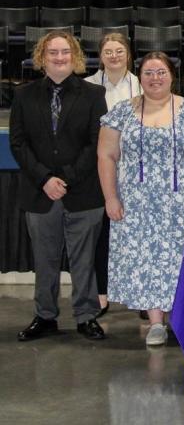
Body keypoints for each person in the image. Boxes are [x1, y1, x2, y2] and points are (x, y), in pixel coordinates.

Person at [97, 52, 184, 346]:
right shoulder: (121, 112)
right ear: (140, 77)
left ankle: (183, 318)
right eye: (148, 73)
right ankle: (155, 323)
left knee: (179, 259)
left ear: (172, 75)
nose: (155, 78)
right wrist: (110, 198)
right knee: (146, 262)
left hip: (180, 204)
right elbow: (106, 156)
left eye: (161, 72)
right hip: (136, 204)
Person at [11, 31, 108, 341]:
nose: (59, 57)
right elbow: (18, 143)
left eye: (65, 51)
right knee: (45, 259)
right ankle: (45, 316)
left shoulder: (94, 94)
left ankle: (86, 316)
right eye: (52, 52)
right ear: (42, 57)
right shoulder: (24, 95)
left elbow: (97, 143)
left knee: (84, 259)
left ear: (74, 56)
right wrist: (44, 179)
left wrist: (65, 178)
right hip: (40, 193)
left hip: (82, 192)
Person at [85, 32, 143, 318]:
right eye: (108, 51)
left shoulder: (142, 85)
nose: (114, 56)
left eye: (119, 51)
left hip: (134, 171)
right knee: (101, 235)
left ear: (128, 54)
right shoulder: (87, 86)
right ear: (101, 55)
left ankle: (145, 297)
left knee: (138, 234)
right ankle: (101, 295)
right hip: (99, 169)